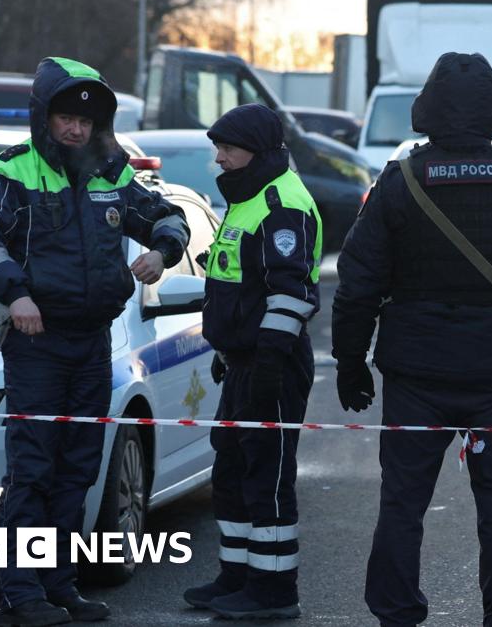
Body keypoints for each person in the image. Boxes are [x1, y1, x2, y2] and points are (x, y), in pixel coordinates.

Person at [331, 52, 492, 627]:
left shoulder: (400, 181)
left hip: (415, 372)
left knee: (403, 501)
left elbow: (357, 282)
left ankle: (397, 612)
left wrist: (349, 362)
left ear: (426, 111)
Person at [0, 56, 189, 627]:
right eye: (65, 117)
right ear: (44, 117)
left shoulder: (112, 171)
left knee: (79, 468)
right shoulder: (12, 171)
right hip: (36, 343)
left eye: (85, 120)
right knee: (32, 469)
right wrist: (16, 295)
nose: (76, 129)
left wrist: (162, 251)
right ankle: (20, 591)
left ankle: (60, 585)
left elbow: (168, 216)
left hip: (94, 343)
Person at [181, 103, 321, 620]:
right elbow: (239, 288)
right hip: (244, 360)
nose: (218, 158)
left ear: (257, 153)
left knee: (268, 476)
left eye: (228, 149)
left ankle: (274, 592)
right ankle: (237, 578)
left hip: (274, 362)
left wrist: (265, 362)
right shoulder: (249, 198)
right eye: (217, 147)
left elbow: (291, 293)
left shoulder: (282, 204)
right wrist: (231, 353)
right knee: (234, 470)